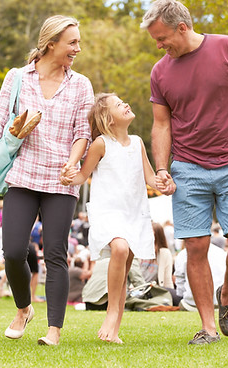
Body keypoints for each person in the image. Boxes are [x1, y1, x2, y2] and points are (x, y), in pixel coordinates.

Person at [141, 0, 228, 345]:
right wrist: (163, 168)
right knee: (195, 247)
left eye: (162, 37)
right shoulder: (160, 71)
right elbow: (161, 123)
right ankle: (208, 327)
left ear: (183, 27)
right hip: (187, 167)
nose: (159, 45)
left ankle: (226, 293)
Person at [0, 15, 94, 346]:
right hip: (22, 174)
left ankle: (54, 330)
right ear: (50, 43)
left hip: (61, 181)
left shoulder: (81, 85)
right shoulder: (17, 78)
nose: (77, 49)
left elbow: (83, 133)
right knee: (12, 251)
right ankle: (24, 309)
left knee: (55, 252)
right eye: (72, 43)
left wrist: (72, 162)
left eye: (78, 42)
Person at [61, 92, 175, 343]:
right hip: (108, 210)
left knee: (123, 270)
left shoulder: (137, 142)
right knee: (120, 249)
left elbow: (150, 178)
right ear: (107, 118)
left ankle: (114, 329)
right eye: (117, 104)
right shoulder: (101, 143)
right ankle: (111, 313)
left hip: (134, 212)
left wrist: (164, 182)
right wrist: (70, 176)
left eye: (124, 100)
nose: (125, 103)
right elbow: (82, 176)